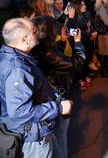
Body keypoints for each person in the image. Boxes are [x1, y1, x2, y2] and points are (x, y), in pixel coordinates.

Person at [0, 18, 73, 158]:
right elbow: (20, 111)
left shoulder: (9, 54)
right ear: (24, 39)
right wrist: (59, 108)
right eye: (34, 32)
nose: (38, 34)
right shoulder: (17, 70)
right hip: (32, 137)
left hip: (34, 130)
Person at [32, 16, 85, 158]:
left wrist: (61, 41)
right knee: (60, 135)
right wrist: (79, 44)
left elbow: (56, 56)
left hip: (48, 97)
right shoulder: (48, 53)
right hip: (56, 98)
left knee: (57, 136)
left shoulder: (39, 48)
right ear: (50, 32)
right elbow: (77, 63)